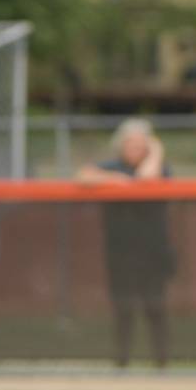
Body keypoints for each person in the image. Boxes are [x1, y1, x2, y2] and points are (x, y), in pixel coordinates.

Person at [77, 119, 176, 368]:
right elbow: (83, 175)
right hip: (121, 252)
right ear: (120, 146)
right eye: (130, 143)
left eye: (142, 144)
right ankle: (121, 364)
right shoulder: (113, 167)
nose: (136, 148)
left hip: (154, 252)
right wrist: (115, 179)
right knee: (123, 310)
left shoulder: (160, 167)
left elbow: (146, 177)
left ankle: (161, 365)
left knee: (155, 309)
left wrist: (157, 151)